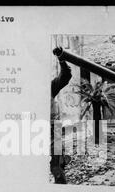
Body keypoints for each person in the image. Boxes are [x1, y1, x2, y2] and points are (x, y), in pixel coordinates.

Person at [50, 49, 72, 184]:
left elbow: (65, 77)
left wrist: (62, 59)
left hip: (54, 129)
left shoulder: (50, 86)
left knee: (56, 167)